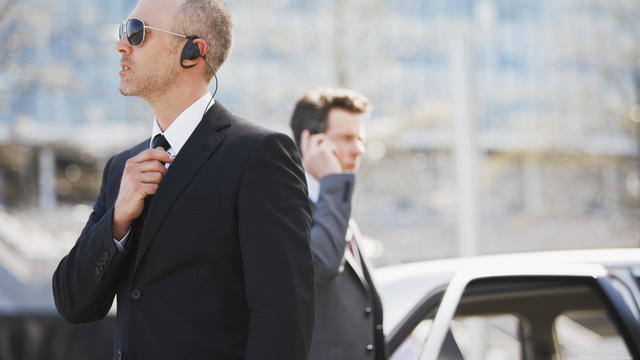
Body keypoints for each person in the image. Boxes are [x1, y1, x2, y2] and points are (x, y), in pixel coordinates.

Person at [52, 0, 315, 359]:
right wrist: (116, 220)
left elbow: (282, 317)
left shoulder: (259, 155)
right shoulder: (121, 168)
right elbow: (73, 303)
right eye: (123, 32)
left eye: (137, 33)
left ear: (193, 51)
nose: (121, 45)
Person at [290, 87, 385, 360]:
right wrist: (334, 185)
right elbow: (322, 264)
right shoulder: (286, 207)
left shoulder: (335, 205)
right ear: (310, 141)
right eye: (346, 138)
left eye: (360, 138)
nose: (359, 149)